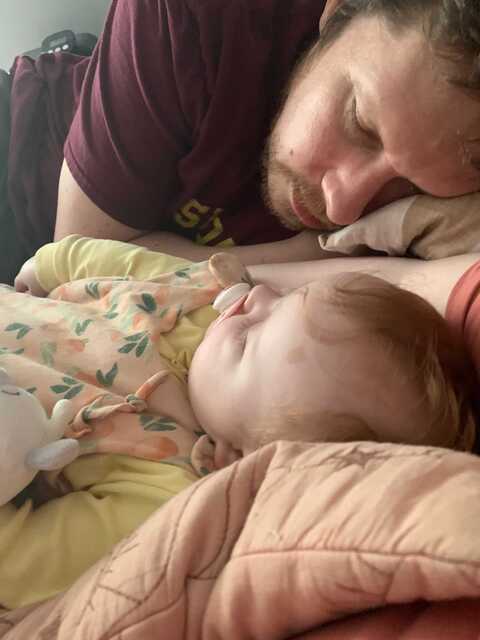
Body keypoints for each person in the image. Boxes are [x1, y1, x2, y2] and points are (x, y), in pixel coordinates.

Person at [1, 233, 475, 609]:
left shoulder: (160, 487)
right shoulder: (201, 304)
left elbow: (25, 560)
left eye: (248, 338)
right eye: (286, 296)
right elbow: (124, 264)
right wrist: (52, 263)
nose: (256, 294)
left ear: (235, 459)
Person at [3, 0, 480, 285]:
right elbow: (78, 263)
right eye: (361, 124)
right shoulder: (204, 12)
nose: (342, 209)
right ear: (338, 11)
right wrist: (320, 256)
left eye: (409, 189)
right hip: (24, 166)